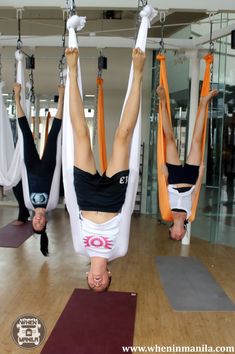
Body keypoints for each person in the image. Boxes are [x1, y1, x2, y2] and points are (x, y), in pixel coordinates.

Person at [66, 47, 145, 291]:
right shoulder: (119, 251)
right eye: (102, 284)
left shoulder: (80, 248)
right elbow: (127, 214)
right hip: (112, 200)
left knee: (81, 135)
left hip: (86, 198)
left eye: (92, 284)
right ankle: (139, 72)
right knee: (123, 137)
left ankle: (72, 69)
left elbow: (71, 211)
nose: (96, 282)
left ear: (87, 276)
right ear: (110, 274)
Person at [157, 85, 218, 241]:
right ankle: (204, 103)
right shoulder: (190, 216)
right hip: (190, 179)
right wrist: (201, 173)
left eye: (175, 236)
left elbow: (164, 192)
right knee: (197, 142)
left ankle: (162, 101)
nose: (179, 236)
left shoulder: (166, 212)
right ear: (184, 231)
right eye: (181, 236)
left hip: (174, 178)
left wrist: (164, 175)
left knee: (169, 139)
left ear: (170, 230)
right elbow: (196, 193)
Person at [13, 83, 64, 255]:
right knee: (54, 135)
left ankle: (16, 98)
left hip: (32, 166)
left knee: (26, 133)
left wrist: (20, 165)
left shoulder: (28, 203)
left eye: (35, 223)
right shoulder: (52, 203)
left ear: (33, 221)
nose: (38, 221)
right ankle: (62, 97)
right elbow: (57, 181)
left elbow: (23, 183)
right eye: (41, 224)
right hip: (49, 166)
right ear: (45, 223)